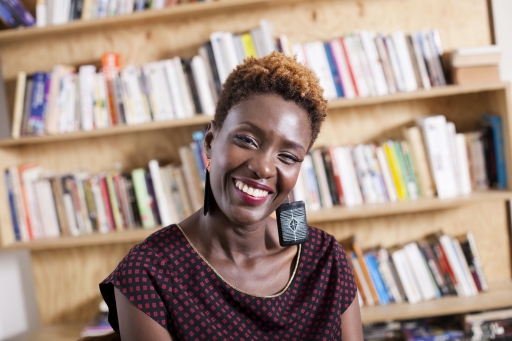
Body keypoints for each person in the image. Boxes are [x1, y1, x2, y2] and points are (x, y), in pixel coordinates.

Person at [100, 52, 363, 341]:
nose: (263, 167)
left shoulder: (326, 260)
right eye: (247, 140)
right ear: (211, 141)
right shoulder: (148, 274)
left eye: (287, 156)